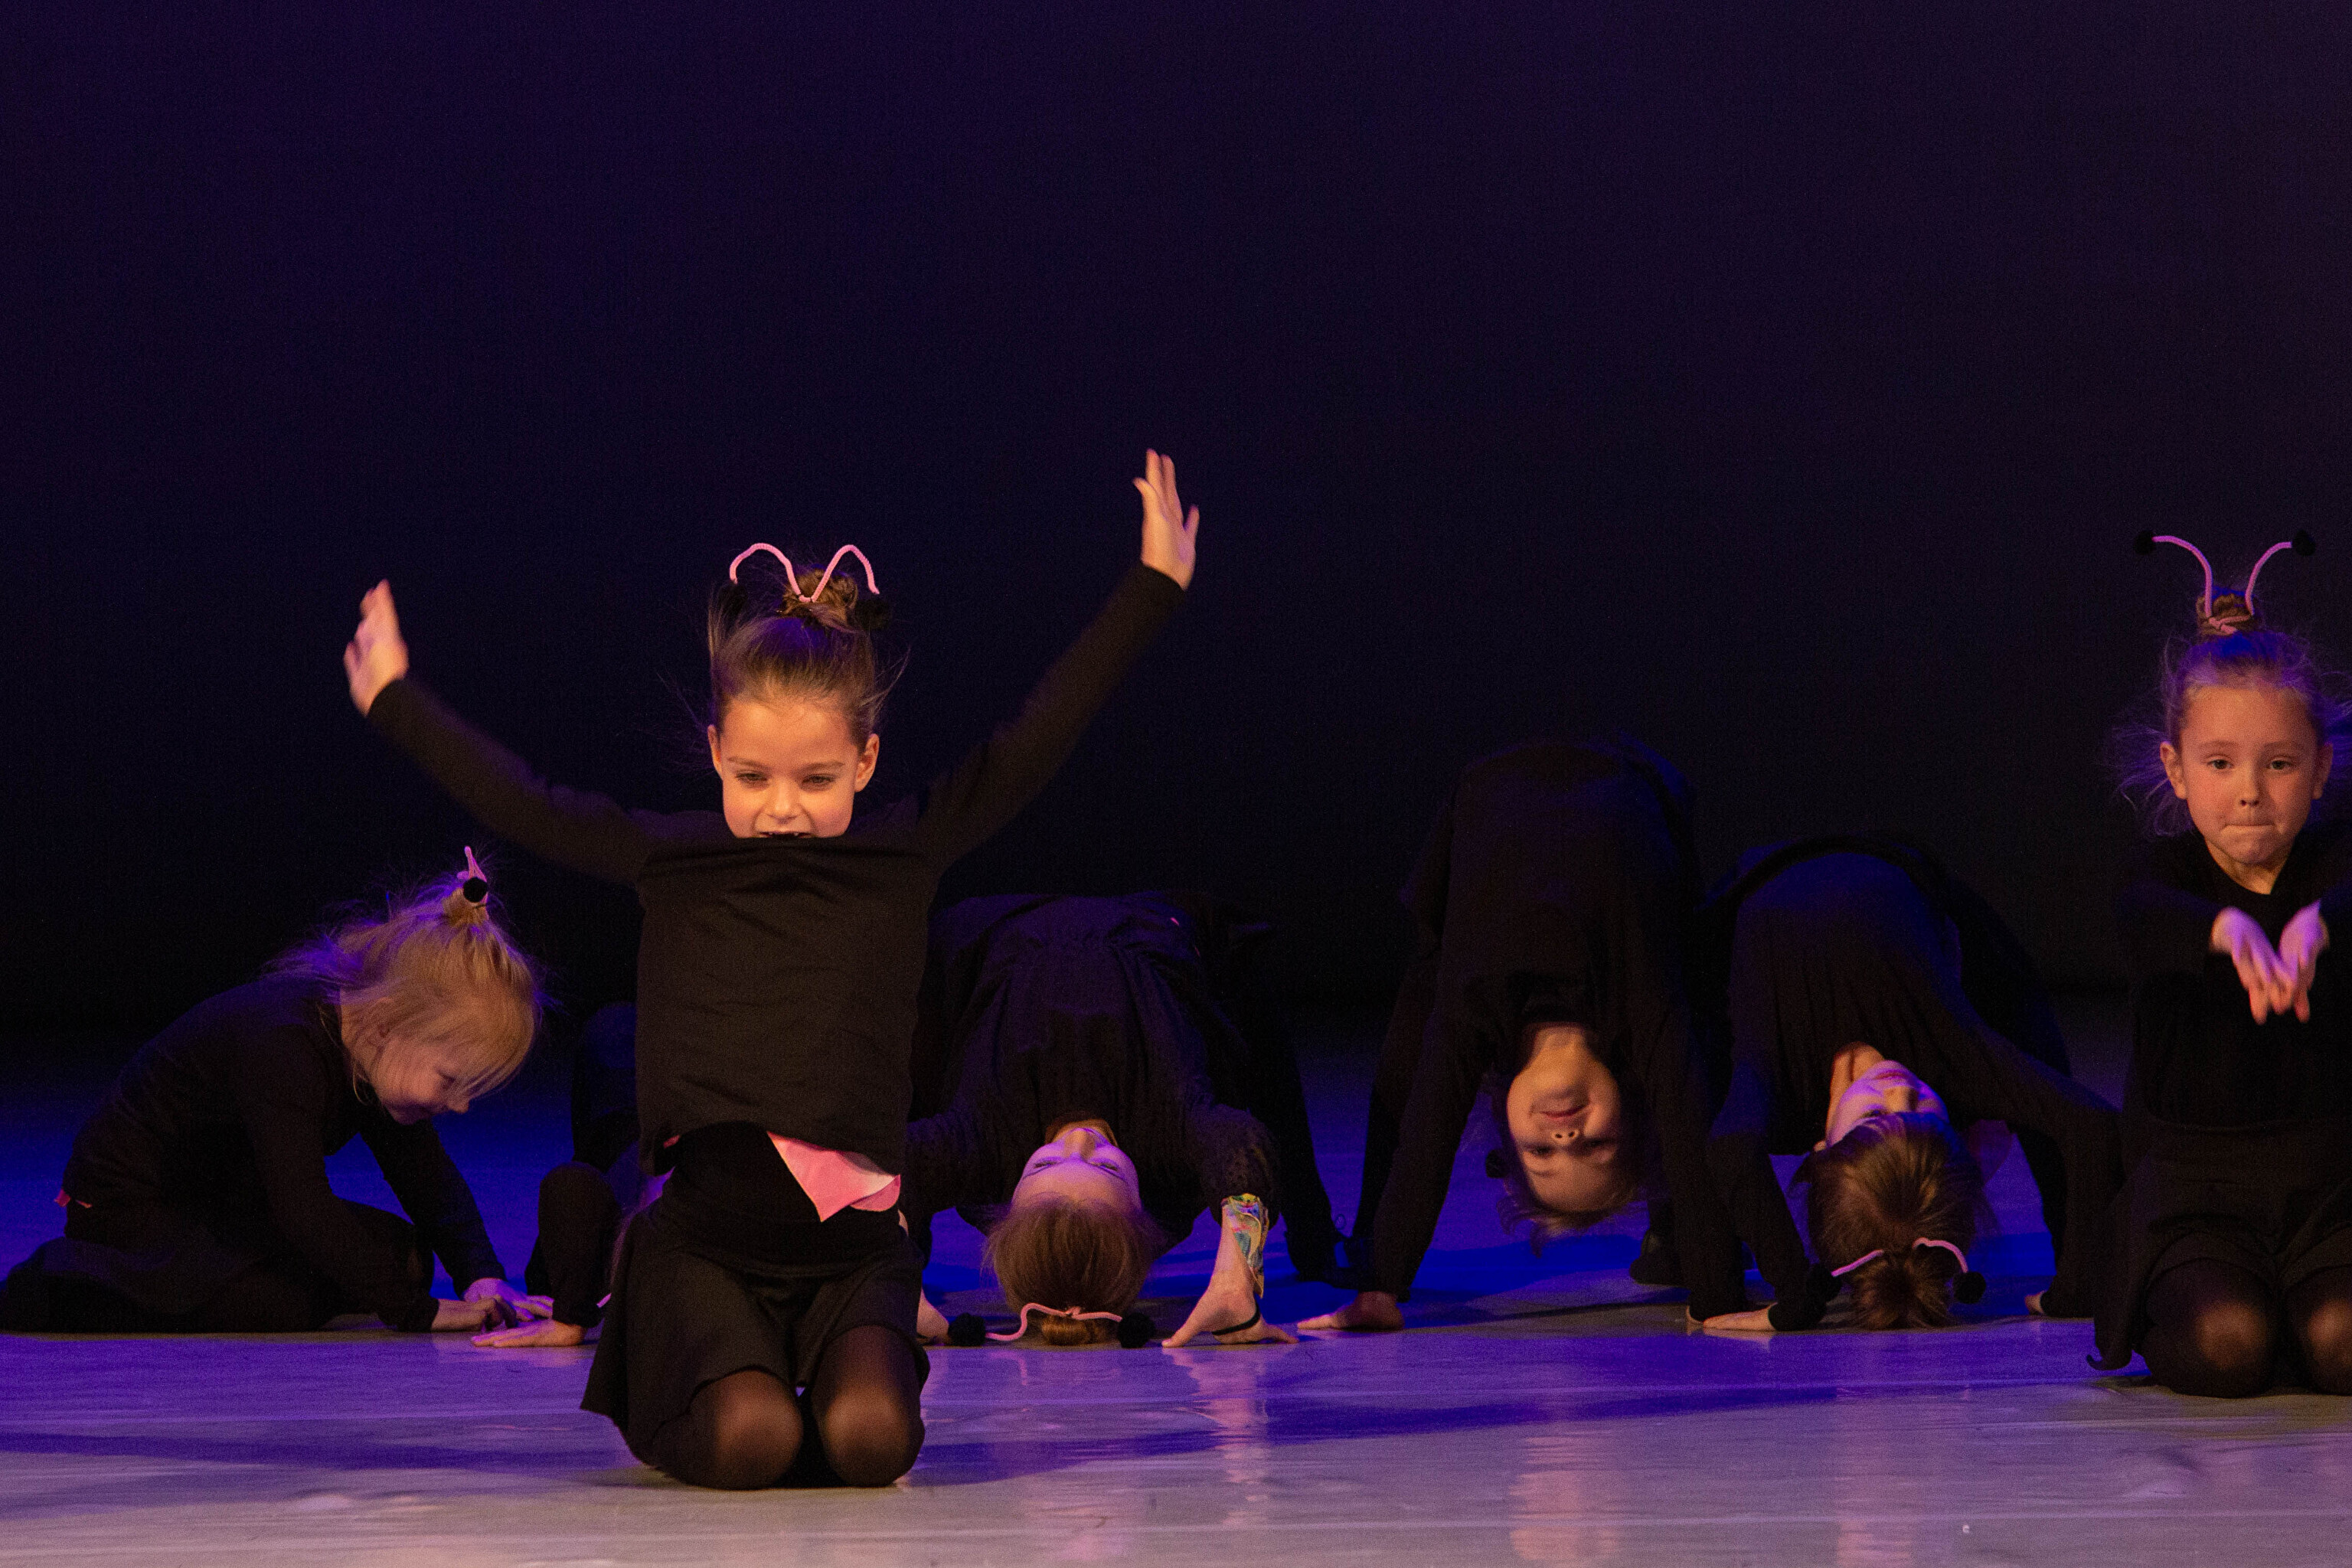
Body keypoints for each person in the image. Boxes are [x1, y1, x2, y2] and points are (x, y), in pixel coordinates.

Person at [347, 450, 1197, 1484]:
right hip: (707, 1246)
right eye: (752, 776)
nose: (781, 808)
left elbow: (1030, 745)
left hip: (851, 1255)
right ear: (716, 751)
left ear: (866, 762)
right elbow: (531, 802)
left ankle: (818, 1381)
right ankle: (714, 1383)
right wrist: (396, 701)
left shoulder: (899, 855)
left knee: (872, 1442)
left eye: (816, 778)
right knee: (756, 1441)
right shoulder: (677, 860)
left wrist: (1152, 588)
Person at [1302, 737, 1752, 1332]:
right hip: (1628, 774)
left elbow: (1425, 1141)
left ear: (1509, 1135)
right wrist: (1717, 1292)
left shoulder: (1473, 1013)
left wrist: (1380, 1286)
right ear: (1631, 1114)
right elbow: (1686, 1130)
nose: (1565, 1135)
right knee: (1698, 1019)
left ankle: (1371, 1256)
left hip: (1489, 788)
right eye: (1596, 1146)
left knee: (1414, 1056)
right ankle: (1677, 1240)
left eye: (1542, 1153)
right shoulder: (1641, 1003)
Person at [2, 858, 547, 1336]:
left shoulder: (372, 1050)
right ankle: (63, 1285)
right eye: (451, 1080)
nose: (460, 1106)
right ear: (387, 1024)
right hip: (134, 1208)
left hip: (228, 1201)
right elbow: (303, 1207)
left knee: (404, 1260)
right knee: (285, 1302)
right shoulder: (284, 1047)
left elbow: (425, 1176)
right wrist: (416, 1313)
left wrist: (481, 1277)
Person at [2091, 532, 2352, 1394]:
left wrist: (2317, 926)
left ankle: (2303, 1322)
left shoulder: (2331, 866)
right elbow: (2143, 918)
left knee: (2344, 1343)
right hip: (2199, 1193)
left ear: (2319, 769)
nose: (2250, 790)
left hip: (2329, 1186)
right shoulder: (2163, 875)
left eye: (2279, 765)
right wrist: (2227, 932)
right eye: (2220, 763)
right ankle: (2242, 1314)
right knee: (2228, 1343)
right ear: (2176, 769)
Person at [1692, 839, 2120, 1331]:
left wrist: (1794, 1292)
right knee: (2022, 1032)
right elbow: (2093, 1125)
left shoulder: (1777, 1085)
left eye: (1875, 1118)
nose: (1899, 1087)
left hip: (1760, 874)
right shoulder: (1953, 1057)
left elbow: (1728, 1148)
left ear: (1822, 1149)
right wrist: (2078, 1283)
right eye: (1923, 1112)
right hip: (1905, 869)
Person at [898, 893, 1337, 1348]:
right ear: (1142, 1206)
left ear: (1008, 1197)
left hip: (1003, 934)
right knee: (1256, 1054)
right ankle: (1317, 1243)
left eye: (1044, 1162)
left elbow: (900, 1158)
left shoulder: (987, 1144)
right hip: (1142, 930)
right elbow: (1242, 1145)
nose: (1079, 1140)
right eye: (1107, 1166)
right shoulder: (1163, 1131)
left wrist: (894, 1285)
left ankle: (905, 1259)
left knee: (908, 1078)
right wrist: (1234, 1277)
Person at [473, 1001, 648, 1349]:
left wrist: (570, 1319)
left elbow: (571, 1187)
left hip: (620, 1169)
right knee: (615, 1028)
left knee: (611, 1029)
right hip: (648, 1154)